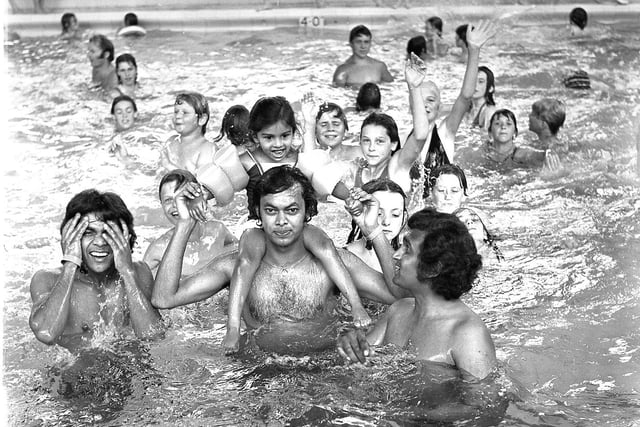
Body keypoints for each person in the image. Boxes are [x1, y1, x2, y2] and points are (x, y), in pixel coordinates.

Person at [152, 166, 397, 355]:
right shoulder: (233, 266)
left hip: (324, 376)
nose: (281, 221)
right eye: (271, 210)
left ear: (307, 212)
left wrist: (373, 230)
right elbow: (164, 298)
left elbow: (399, 296)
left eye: (291, 210)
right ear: (258, 212)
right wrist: (185, 224)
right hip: (258, 382)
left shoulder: (336, 263)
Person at [338, 193, 496, 381]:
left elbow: (483, 406)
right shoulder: (398, 310)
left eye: (407, 249)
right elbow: (357, 369)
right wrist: (350, 345)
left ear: (433, 269)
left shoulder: (468, 334)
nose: (396, 255)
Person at [29, 190, 164, 353]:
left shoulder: (139, 272)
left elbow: (154, 336)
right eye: (88, 233)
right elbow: (46, 334)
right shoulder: (46, 279)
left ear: (125, 238)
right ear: (71, 238)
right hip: (75, 377)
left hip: (134, 376)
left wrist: (127, 273)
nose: (100, 242)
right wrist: (70, 264)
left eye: (109, 233)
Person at [410, 20, 497, 198]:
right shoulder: (404, 139)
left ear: (439, 107)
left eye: (431, 100)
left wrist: (474, 51)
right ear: (410, 105)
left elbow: (465, 97)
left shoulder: (444, 133)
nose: (425, 105)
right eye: (420, 99)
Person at [346, 56, 430, 194]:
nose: (371, 148)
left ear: (393, 144)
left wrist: (414, 87)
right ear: (359, 142)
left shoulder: (396, 167)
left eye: (379, 141)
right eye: (366, 141)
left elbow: (420, 136)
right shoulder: (356, 170)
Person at [143, 170, 237, 278]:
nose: (176, 204)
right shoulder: (158, 249)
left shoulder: (218, 230)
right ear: (162, 205)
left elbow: (239, 252)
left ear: (196, 197)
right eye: (168, 200)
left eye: (181, 197)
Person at [160, 92, 241, 206]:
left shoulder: (207, 149)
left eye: (185, 113)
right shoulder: (170, 142)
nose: (178, 116)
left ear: (202, 119)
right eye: (176, 111)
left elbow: (205, 190)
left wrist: (168, 165)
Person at [461, 109, 559, 170]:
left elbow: (540, 155)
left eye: (508, 124)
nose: (503, 127)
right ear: (490, 132)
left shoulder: (520, 153)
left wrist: (548, 154)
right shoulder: (482, 151)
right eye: (497, 123)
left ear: (515, 133)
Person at [346, 179, 407, 272]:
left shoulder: (411, 259)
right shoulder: (344, 258)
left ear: (404, 217)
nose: (386, 222)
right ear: (360, 213)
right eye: (378, 213)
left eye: (395, 214)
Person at [528, 98, 565, 170]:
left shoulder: (546, 152)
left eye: (533, 114)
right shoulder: (560, 143)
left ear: (543, 124)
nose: (529, 116)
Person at [466, 66, 497, 130]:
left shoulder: (489, 113)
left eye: (480, 82)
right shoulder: (466, 108)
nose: (475, 85)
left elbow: (490, 137)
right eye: (473, 81)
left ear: (490, 89)